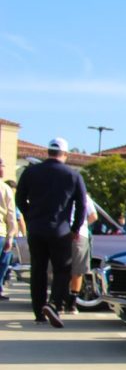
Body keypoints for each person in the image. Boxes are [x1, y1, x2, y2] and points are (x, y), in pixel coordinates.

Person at [14, 137, 87, 327]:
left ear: (48, 152)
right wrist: (75, 228)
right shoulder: (73, 175)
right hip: (60, 230)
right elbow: (82, 205)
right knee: (62, 270)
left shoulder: (31, 172)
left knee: (38, 270)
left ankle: (38, 312)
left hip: (37, 228)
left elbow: (20, 199)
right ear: (65, 154)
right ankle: (54, 304)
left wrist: (30, 217)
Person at [65, 190, 99, 313]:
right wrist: (83, 225)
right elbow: (93, 216)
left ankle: (61, 300)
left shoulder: (58, 192)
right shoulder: (82, 195)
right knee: (77, 270)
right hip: (79, 234)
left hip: (61, 232)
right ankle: (72, 303)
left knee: (62, 269)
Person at [0, 158, 16, 301]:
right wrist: (10, 236)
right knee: (3, 263)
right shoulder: (5, 189)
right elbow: (11, 215)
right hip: (1, 232)